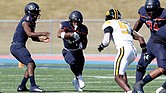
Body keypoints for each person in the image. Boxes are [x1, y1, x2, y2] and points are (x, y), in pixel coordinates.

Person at [97, 8, 147, 93]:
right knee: (122, 72)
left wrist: (102, 46)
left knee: (117, 77)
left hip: (124, 49)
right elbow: (140, 38)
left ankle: (129, 91)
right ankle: (127, 90)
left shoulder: (108, 23)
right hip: (133, 51)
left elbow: (106, 40)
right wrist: (144, 50)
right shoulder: (125, 24)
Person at [10, 2, 50, 92]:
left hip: (19, 46)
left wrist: (42, 40)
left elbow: (32, 37)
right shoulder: (26, 21)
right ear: (30, 12)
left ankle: (22, 86)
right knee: (30, 64)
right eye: (35, 12)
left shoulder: (30, 21)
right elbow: (29, 33)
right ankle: (33, 86)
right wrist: (43, 33)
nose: (37, 15)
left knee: (31, 65)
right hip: (17, 46)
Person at [132, 0, 166, 92]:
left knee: (164, 68)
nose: (150, 13)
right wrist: (133, 33)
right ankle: (137, 88)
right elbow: (139, 22)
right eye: (148, 10)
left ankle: (163, 88)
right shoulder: (143, 13)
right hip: (154, 42)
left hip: (162, 43)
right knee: (141, 65)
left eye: (153, 10)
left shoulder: (164, 14)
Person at [57, 10, 88, 92]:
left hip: (78, 51)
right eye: (74, 22)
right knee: (72, 63)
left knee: (79, 69)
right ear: (71, 21)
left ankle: (76, 81)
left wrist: (83, 45)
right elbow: (59, 34)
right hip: (68, 50)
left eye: (78, 22)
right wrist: (71, 35)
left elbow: (85, 39)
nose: (76, 24)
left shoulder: (83, 28)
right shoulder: (65, 25)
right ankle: (79, 78)